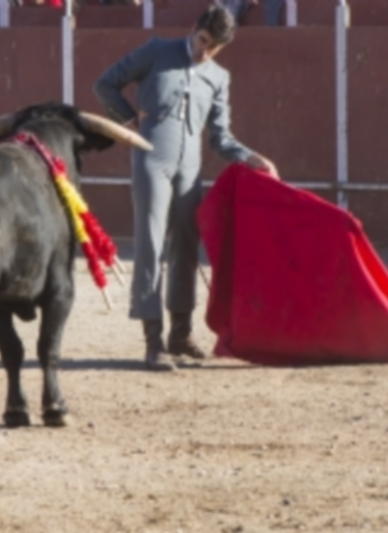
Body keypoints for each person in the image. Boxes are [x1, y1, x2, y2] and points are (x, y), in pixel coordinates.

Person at [94, 3, 278, 371]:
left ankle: (181, 332)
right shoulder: (156, 50)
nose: (204, 52)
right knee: (150, 241)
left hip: (189, 168)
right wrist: (128, 119)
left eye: (213, 48)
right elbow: (105, 83)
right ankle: (152, 340)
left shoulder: (218, 77)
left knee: (186, 244)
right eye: (203, 41)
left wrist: (251, 157)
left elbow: (220, 138)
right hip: (151, 160)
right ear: (194, 28)